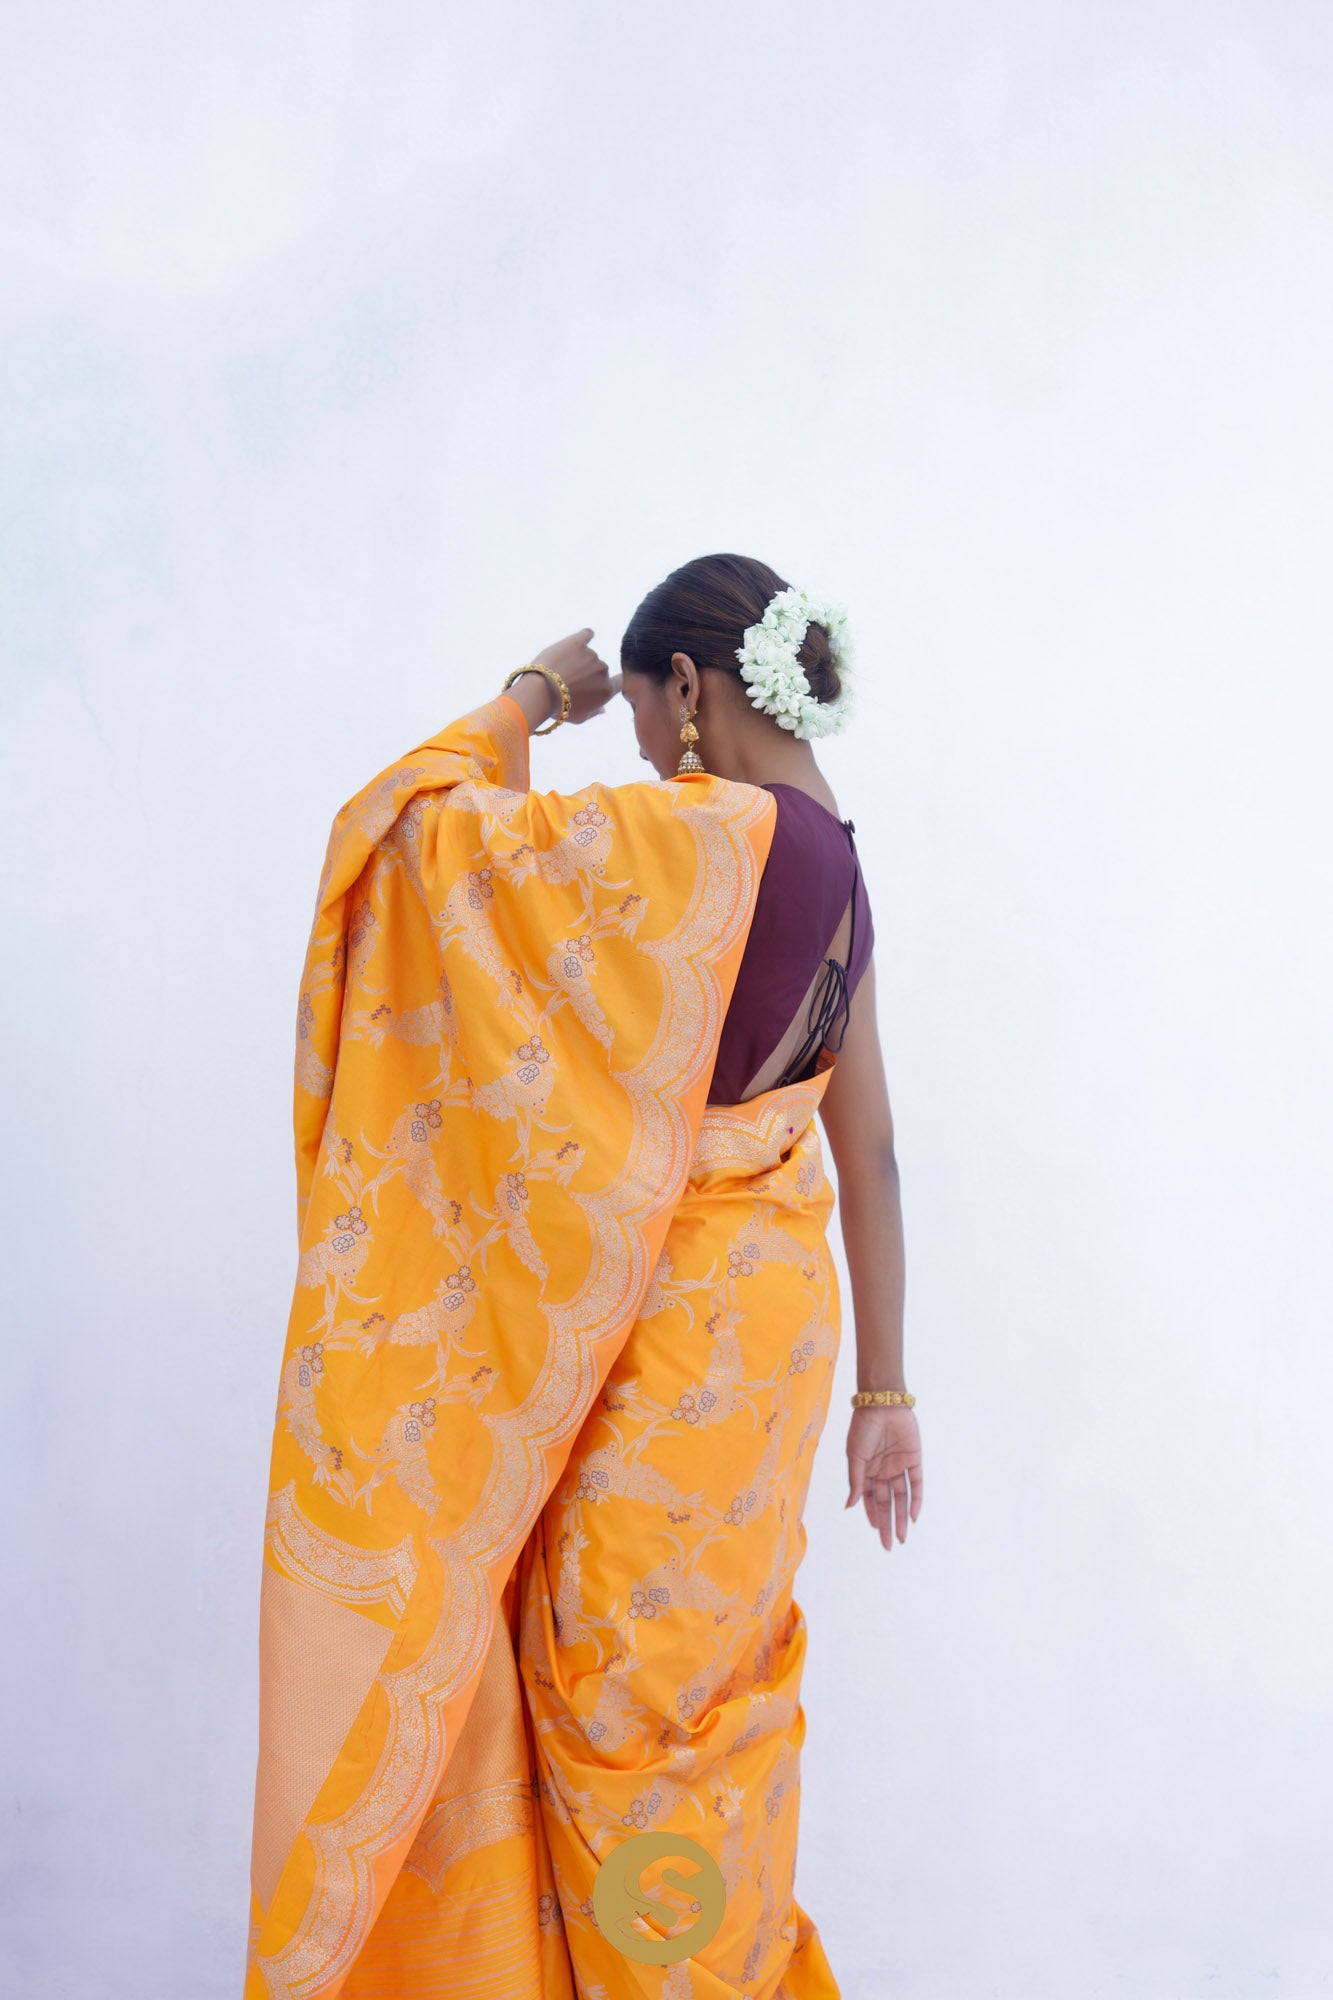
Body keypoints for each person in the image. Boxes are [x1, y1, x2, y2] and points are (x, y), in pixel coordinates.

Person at [245, 553, 922, 2000]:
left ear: (689, 685)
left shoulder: (704, 837)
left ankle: (657, 1978)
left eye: (640, 711)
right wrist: (887, 1395)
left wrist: (529, 699)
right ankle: (721, 1967)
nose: (641, 747)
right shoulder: (844, 870)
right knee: (712, 1697)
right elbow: (870, 1156)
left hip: (671, 1344)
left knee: (621, 1709)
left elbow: (413, 843)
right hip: (779, 1337)